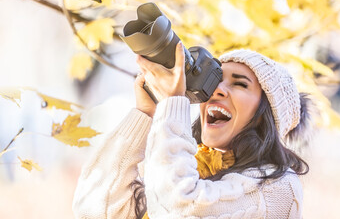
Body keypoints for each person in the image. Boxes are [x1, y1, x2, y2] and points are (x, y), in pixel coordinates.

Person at [72, 42, 312, 219]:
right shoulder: (187, 168)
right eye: (215, 80)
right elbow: (94, 209)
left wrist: (172, 104)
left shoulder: (279, 189)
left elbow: (180, 209)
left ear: (266, 117)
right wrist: (145, 114)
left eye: (239, 83)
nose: (218, 90)